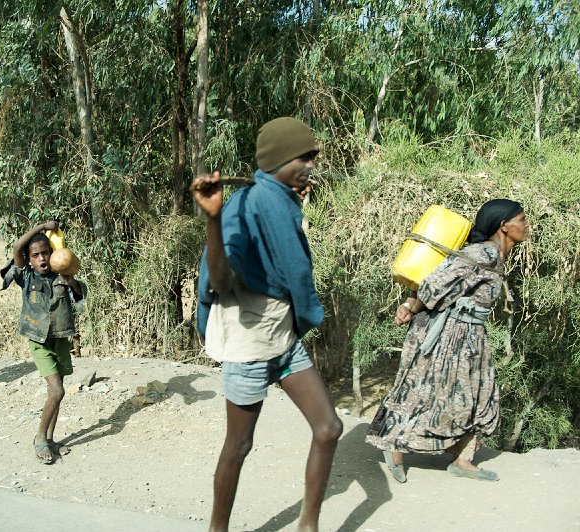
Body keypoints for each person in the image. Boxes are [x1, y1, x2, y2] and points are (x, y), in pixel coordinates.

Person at [192, 117, 343, 532]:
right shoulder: (243, 206)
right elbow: (220, 281)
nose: (313, 165)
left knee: (329, 428)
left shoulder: (276, 197)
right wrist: (212, 219)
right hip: (251, 342)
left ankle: (307, 526)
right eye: (305, 157)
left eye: (314, 156)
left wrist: (292, 196)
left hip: (282, 335)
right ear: (279, 158)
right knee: (239, 445)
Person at [366, 199, 530, 482]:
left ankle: (462, 458)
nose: (527, 226)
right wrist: (411, 306)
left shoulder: (494, 255)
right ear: (504, 226)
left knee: (479, 394)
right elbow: (434, 284)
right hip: (449, 336)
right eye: (522, 220)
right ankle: (394, 447)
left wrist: (410, 305)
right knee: (424, 392)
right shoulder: (484, 254)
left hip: (472, 335)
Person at [2, 221, 87, 464]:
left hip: (60, 338)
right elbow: (18, 245)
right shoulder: (25, 276)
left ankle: (51, 440)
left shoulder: (63, 275)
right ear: (28, 259)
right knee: (58, 390)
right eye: (35, 255)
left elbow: (81, 297)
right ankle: (40, 439)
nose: (41, 259)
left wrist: (70, 280)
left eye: (45, 253)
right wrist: (42, 226)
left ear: (53, 253)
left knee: (56, 393)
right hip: (38, 340)